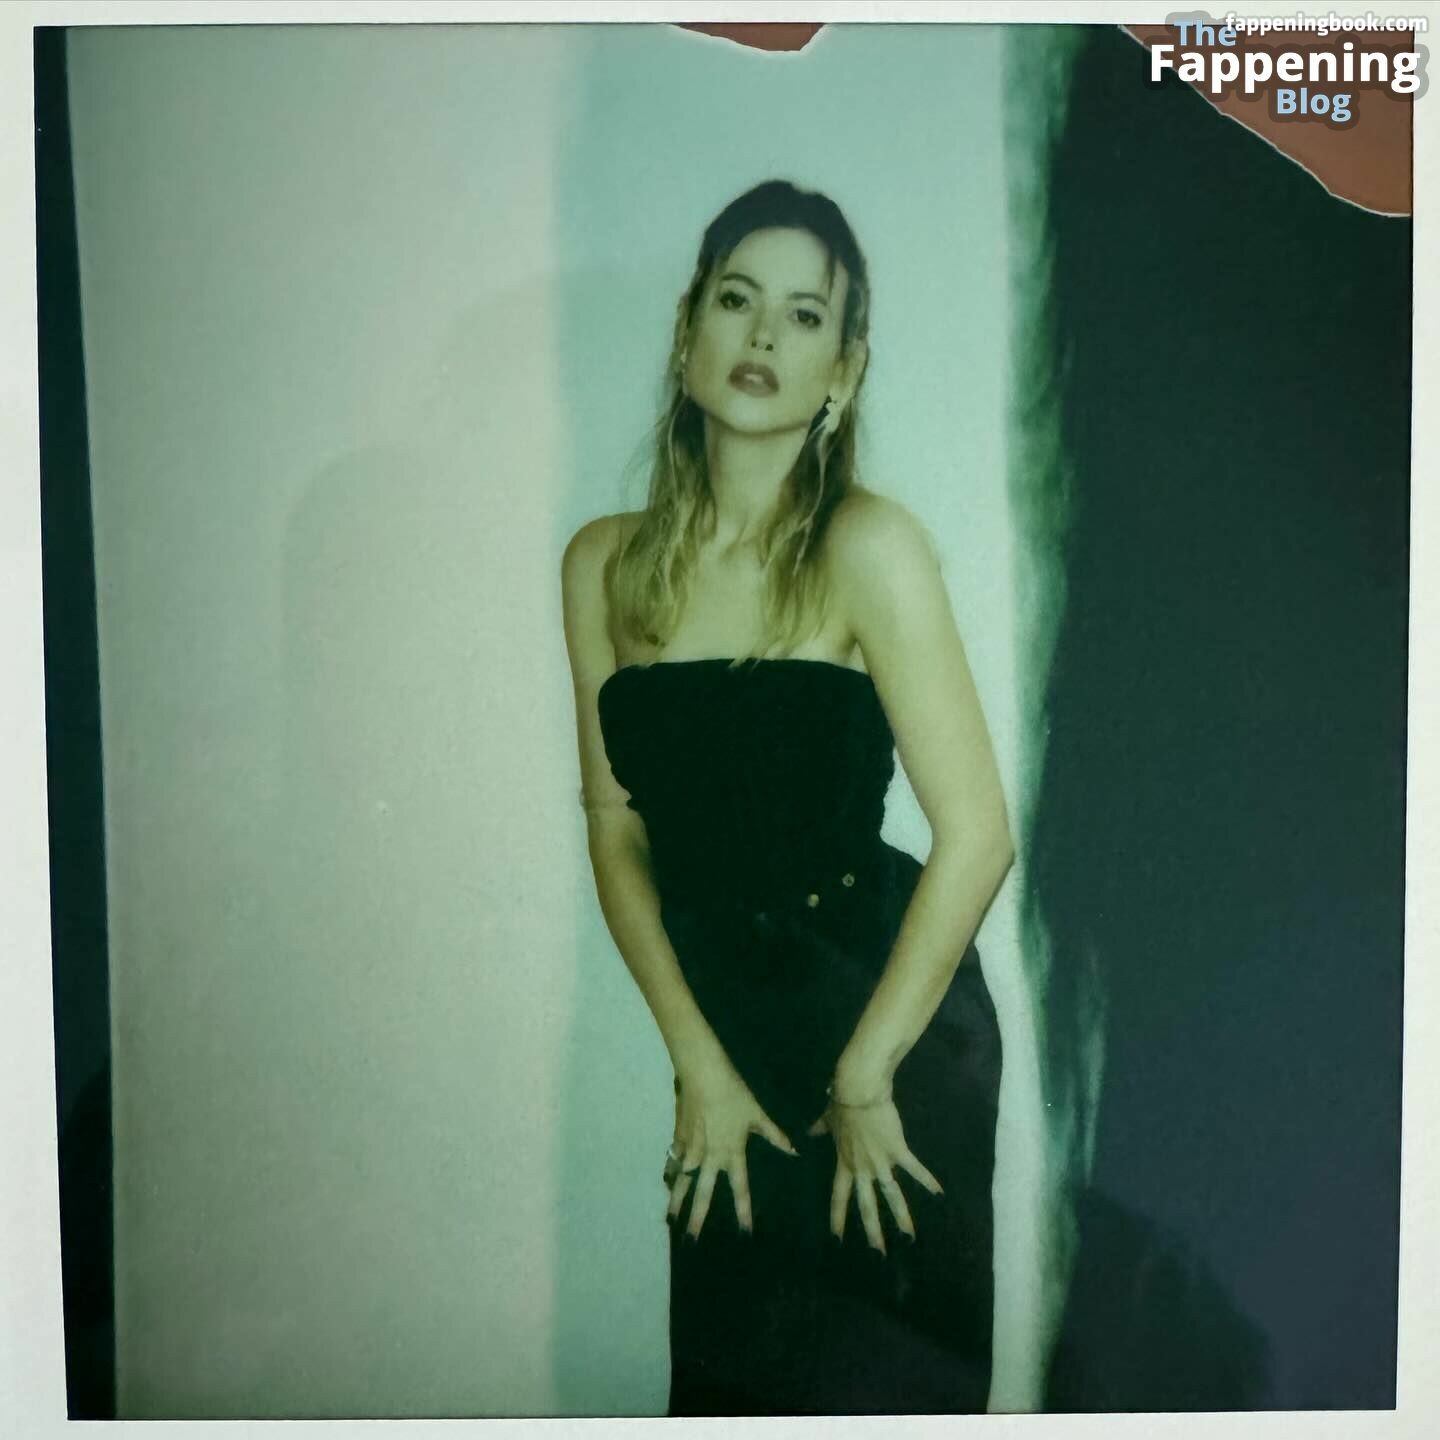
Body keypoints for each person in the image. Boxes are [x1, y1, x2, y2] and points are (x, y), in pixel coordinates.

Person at [561, 179, 1014, 1416]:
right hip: (724, 1027)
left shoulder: (871, 546)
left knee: (886, 1389)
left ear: (841, 369)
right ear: (687, 331)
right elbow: (615, 828)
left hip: (889, 1021)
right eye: (737, 299)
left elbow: (978, 837)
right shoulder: (602, 564)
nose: (763, 336)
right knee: (733, 1390)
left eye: (805, 316)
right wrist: (695, 1062)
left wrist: (865, 1073)